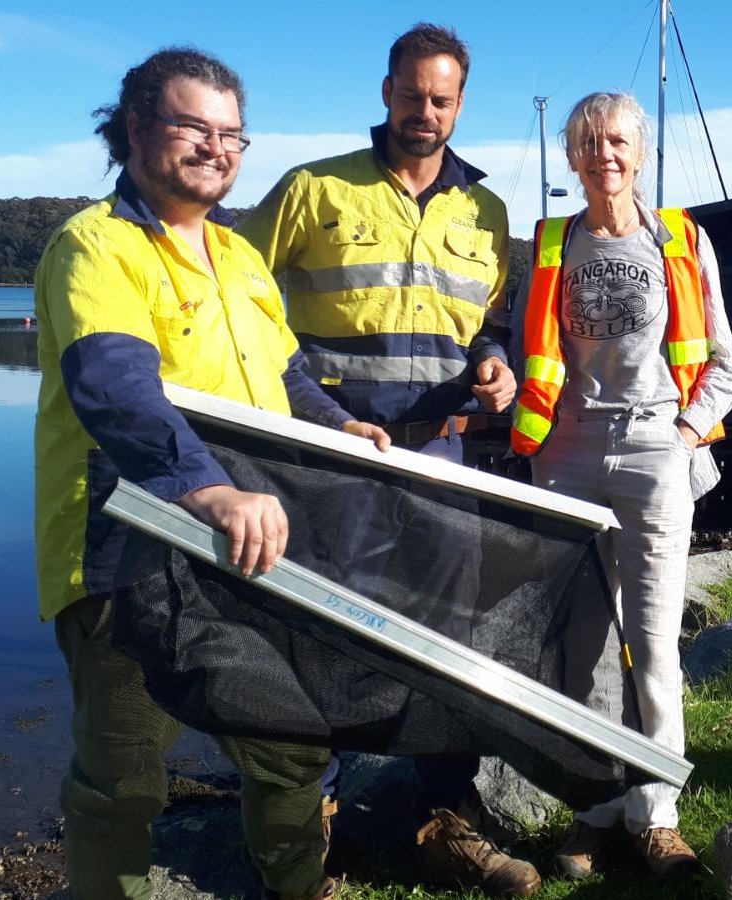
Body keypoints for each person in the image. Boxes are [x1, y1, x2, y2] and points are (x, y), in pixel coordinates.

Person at [34, 48, 389, 900]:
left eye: (232, 134)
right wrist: (209, 486)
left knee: (291, 744)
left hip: (245, 553)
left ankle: (298, 887)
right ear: (134, 128)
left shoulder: (239, 256)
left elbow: (287, 374)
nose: (216, 147)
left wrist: (343, 428)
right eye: (195, 126)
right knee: (123, 780)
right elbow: (115, 388)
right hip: (126, 554)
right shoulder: (95, 246)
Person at [238, 24, 537, 899]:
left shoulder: (486, 209)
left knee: (447, 639)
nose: (426, 112)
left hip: (442, 460)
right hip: (329, 459)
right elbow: (243, 307)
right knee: (320, 636)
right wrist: (320, 415)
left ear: (460, 104)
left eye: (442, 99)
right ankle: (310, 829)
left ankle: (445, 818)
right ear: (385, 91)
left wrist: (494, 366)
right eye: (412, 94)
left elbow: (484, 322)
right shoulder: (312, 188)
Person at [509, 91, 732, 880]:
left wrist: (678, 442)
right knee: (583, 645)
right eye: (587, 143)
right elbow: (524, 357)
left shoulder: (682, 239)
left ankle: (656, 815)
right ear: (572, 159)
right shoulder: (548, 245)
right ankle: (596, 810)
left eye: (616, 141)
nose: (602, 154)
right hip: (566, 454)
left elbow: (725, 367)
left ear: (639, 153)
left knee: (653, 641)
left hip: (654, 450)